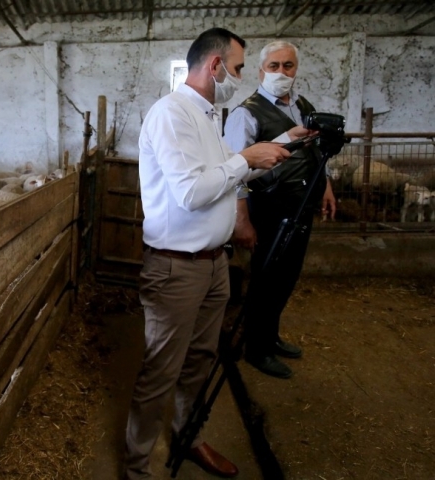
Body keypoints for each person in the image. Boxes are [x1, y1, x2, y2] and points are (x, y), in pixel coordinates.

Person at [124, 28, 309, 480]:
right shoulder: (172, 114)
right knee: (161, 371)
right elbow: (191, 192)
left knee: (200, 361)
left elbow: (225, 171)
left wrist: (279, 143)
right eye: (240, 67)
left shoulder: (207, 115)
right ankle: (138, 465)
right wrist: (246, 159)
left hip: (212, 265)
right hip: (176, 267)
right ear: (215, 65)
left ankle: (189, 437)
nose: (241, 77)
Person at [223, 41, 337, 379]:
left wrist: (325, 186)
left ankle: (270, 337)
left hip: (301, 204)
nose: (281, 72)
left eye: (288, 66)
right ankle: (256, 349)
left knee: (287, 277)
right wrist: (242, 220)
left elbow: (317, 151)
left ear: (296, 69)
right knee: (266, 277)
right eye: (274, 66)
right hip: (269, 206)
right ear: (261, 71)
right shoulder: (247, 112)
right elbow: (235, 171)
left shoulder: (303, 106)